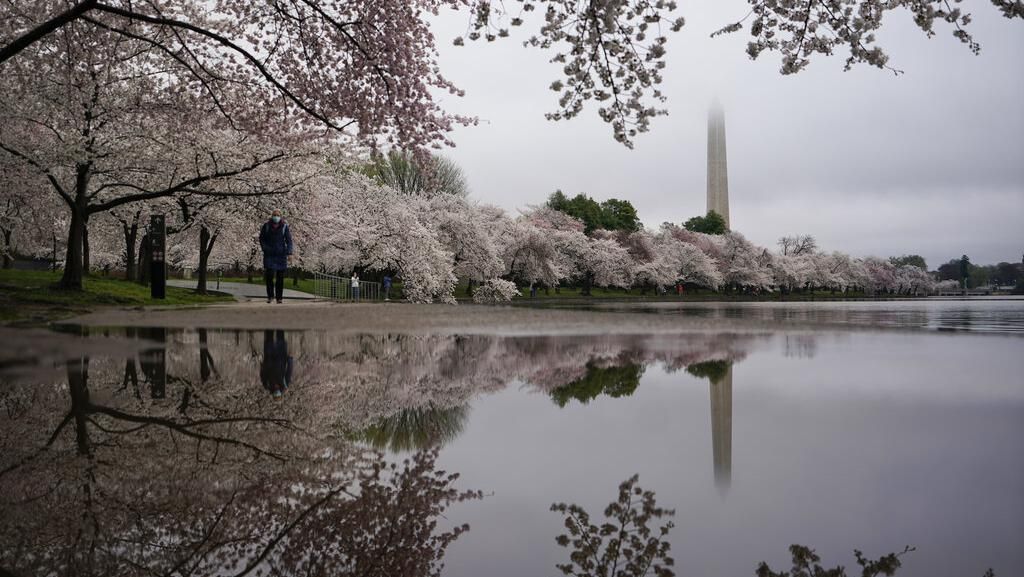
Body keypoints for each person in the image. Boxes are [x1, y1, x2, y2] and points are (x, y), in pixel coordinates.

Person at [259, 209, 293, 304]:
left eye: (278, 215)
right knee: (269, 276)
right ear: (272, 216)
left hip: (281, 255)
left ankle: (279, 298)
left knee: (280, 277)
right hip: (269, 254)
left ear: (280, 216)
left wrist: (289, 253)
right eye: (274, 215)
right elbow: (261, 238)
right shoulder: (266, 226)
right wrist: (264, 248)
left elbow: (289, 240)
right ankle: (270, 296)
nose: (276, 217)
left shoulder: (284, 227)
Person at [260, 330, 292, 398]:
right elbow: (289, 372)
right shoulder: (285, 384)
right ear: (280, 394)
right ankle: (279, 327)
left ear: (273, 395)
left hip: (269, 358)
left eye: (275, 397)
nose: (277, 394)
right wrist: (290, 361)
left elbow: (262, 375)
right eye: (278, 396)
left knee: (269, 339)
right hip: (281, 359)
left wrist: (262, 365)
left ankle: (269, 328)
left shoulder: (267, 385)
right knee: (280, 339)